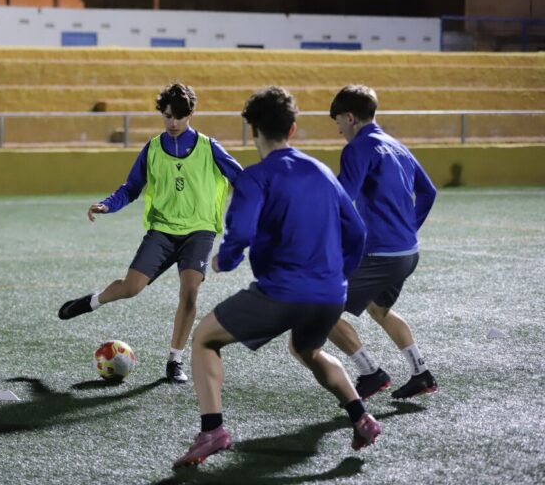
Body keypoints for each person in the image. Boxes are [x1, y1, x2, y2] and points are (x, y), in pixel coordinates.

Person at [174, 86, 380, 468]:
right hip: (330, 293)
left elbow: (242, 233)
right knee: (309, 351)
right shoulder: (320, 170)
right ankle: (361, 417)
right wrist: (339, 277)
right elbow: (357, 231)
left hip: (283, 292)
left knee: (204, 338)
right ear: (294, 128)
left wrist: (226, 259)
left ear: (252, 129)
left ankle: (212, 430)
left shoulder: (256, 177)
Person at [58, 83, 242, 383]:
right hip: (162, 231)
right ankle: (92, 301)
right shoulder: (153, 148)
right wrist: (107, 205)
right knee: (131, 288)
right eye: (167, 116)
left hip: (199, 231)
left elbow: (241, 178)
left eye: (178, 117)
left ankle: (175, 360)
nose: (172, 123)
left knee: (190, 291)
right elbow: (131, 187)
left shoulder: (210, 147)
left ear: (190, 115)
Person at [327, 84, 438, 400]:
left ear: (350, 118)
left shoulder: (357, 149)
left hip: (380, 254)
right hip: (407, 253)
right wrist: (409, 229)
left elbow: (343, 200)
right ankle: (421, 373)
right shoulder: (397, 146)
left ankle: (370, 372)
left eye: (337, 122)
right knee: (380, 309)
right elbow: (429, 192)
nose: (338, 131)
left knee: (319, 306)